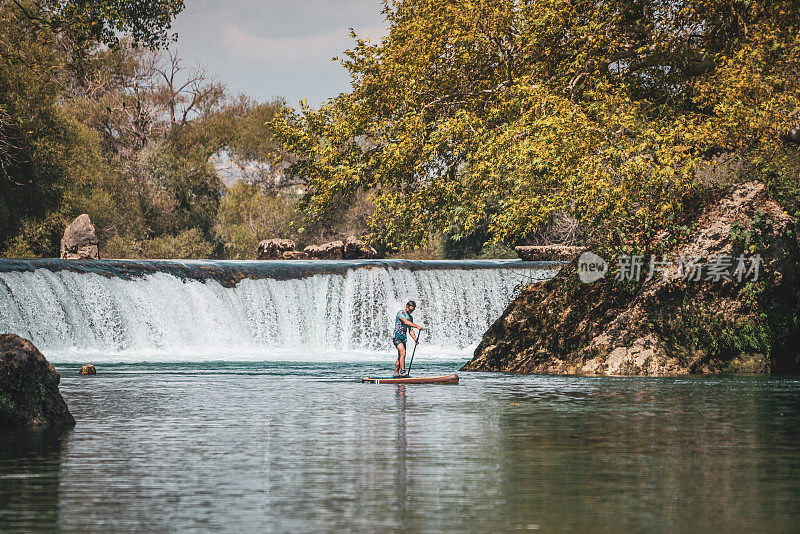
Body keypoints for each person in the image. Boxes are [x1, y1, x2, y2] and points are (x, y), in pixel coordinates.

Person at [393, 300, 423, 378]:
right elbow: (406, 322)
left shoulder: (410, 317)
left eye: (413, 310)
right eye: (410, 310)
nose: (411, 312)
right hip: (397, 338)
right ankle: (403, 373)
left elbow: (410, 330)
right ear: (406, 307)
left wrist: (415, 339)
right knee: (403, 353)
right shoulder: (401, 313)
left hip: (403, 339)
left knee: (400, 356)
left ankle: (395, 374)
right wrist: (417, 326)